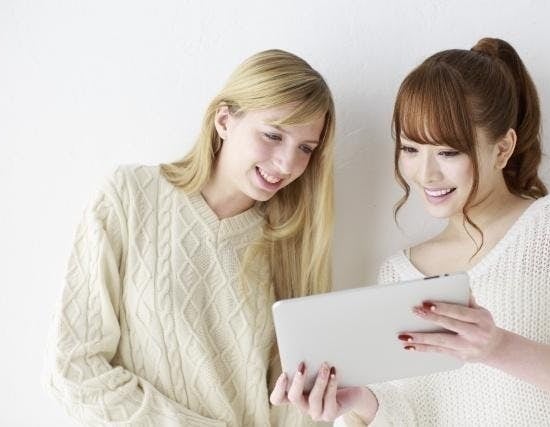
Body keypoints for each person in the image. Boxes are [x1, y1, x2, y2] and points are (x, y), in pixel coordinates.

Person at [270, 38, 550, 425]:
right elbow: (411, 415)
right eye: (410, 149)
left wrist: (498, 348)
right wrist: (359, 401)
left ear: (503, 148)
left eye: (448, 152)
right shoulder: (400, 273)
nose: (426, 174)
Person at [43, 49, 336, 426]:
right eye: (272, 135)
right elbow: (73, 369)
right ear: (225, 120)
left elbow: (293, 414)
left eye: (305, 148)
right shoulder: (129, 197)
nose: (287, 163)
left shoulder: (294, 244)